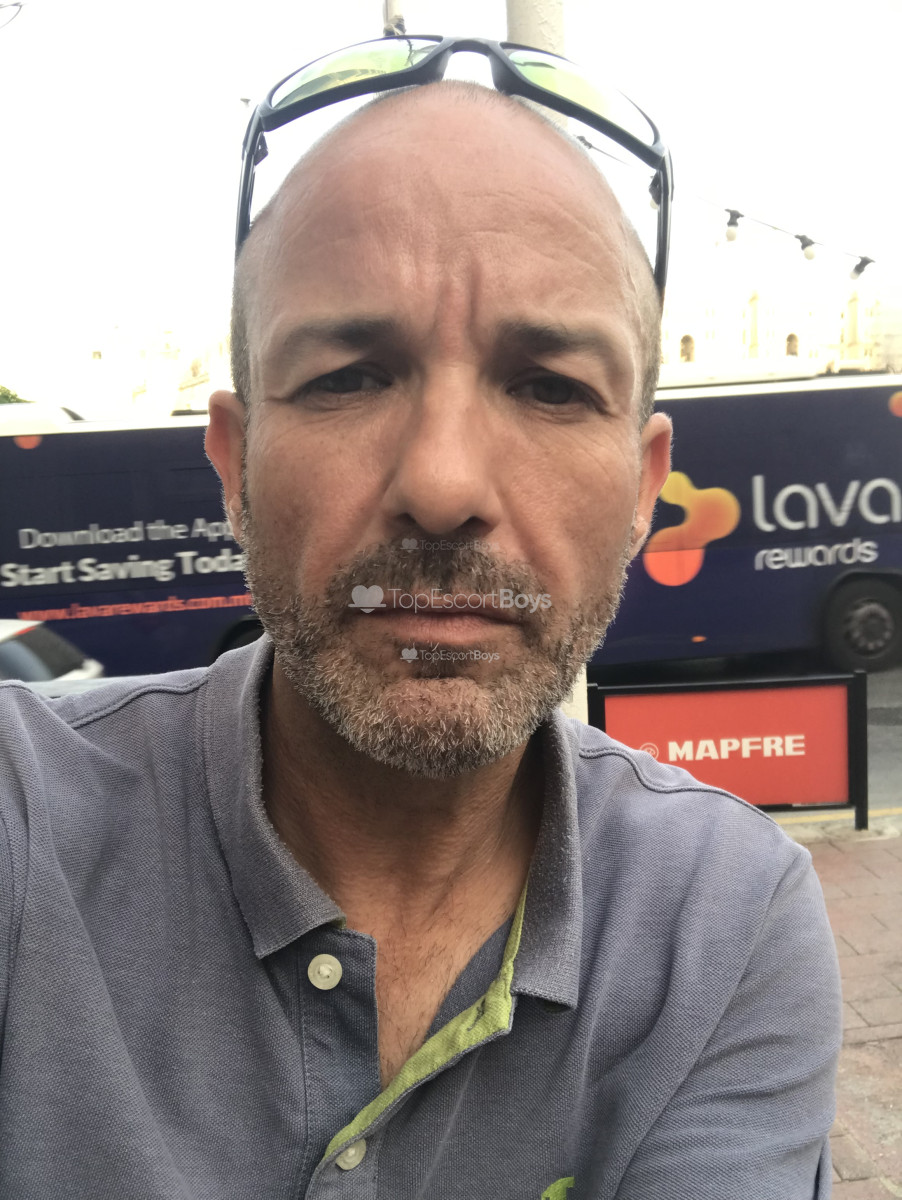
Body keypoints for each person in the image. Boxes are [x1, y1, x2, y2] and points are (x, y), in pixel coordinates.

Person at [0, 38, 841, 1200]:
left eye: (550, 387)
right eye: (347, 376)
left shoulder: (725, 923)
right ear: (235, 465)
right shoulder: (24, 821)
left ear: (643, 491)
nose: (442, 486)